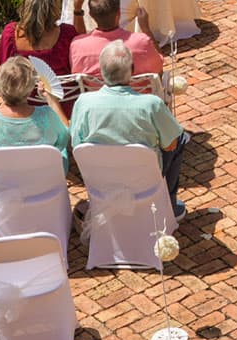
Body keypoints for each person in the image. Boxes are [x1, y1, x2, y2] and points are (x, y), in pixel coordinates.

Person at [70, 40, 188, 218]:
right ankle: (169, 204)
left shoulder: (83, 104)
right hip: (144, 180)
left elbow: (76, 143)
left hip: (101, 180)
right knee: (181, 139)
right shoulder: (151, 105)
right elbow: (171, 144)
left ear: (101, 73)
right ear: (132, 71)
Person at [0, 56, 71, 173]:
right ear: (31, 86)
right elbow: (65, 136)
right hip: (45, 181)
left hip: (4, 184)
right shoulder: (47, 115)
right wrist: (51, 99)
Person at [69, 0, 163, 80]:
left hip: (98, 94)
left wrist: (77, 10)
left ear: (91, 15)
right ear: (119, 12)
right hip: (138, 94)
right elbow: (159, 70)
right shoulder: (142, 42)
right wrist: (146, 29)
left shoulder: (77, 46)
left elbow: (81, 41)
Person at [0, 0, 86, 79]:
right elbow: (82, 44)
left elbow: (3, 70)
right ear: (54, 7)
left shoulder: (10, 33)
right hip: (63, 93)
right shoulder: (66, 34)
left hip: (25, 94)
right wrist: (77, 9)